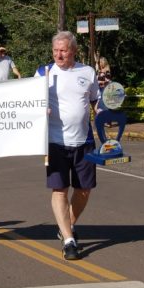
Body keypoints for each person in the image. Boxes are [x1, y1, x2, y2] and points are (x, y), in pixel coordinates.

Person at [35, 31, 99, 261]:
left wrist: (104, 113)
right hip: (55, 142)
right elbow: (30, 102)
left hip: (84, 142)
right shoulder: (43, 73)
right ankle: (69, 240)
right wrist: (39, 109)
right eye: (55, 51)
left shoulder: (87, 72)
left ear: (73, 50)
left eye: (63, 50)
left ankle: (67, 227)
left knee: (84, 190)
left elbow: (95, 101)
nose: (58, 55)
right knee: (59, 189)